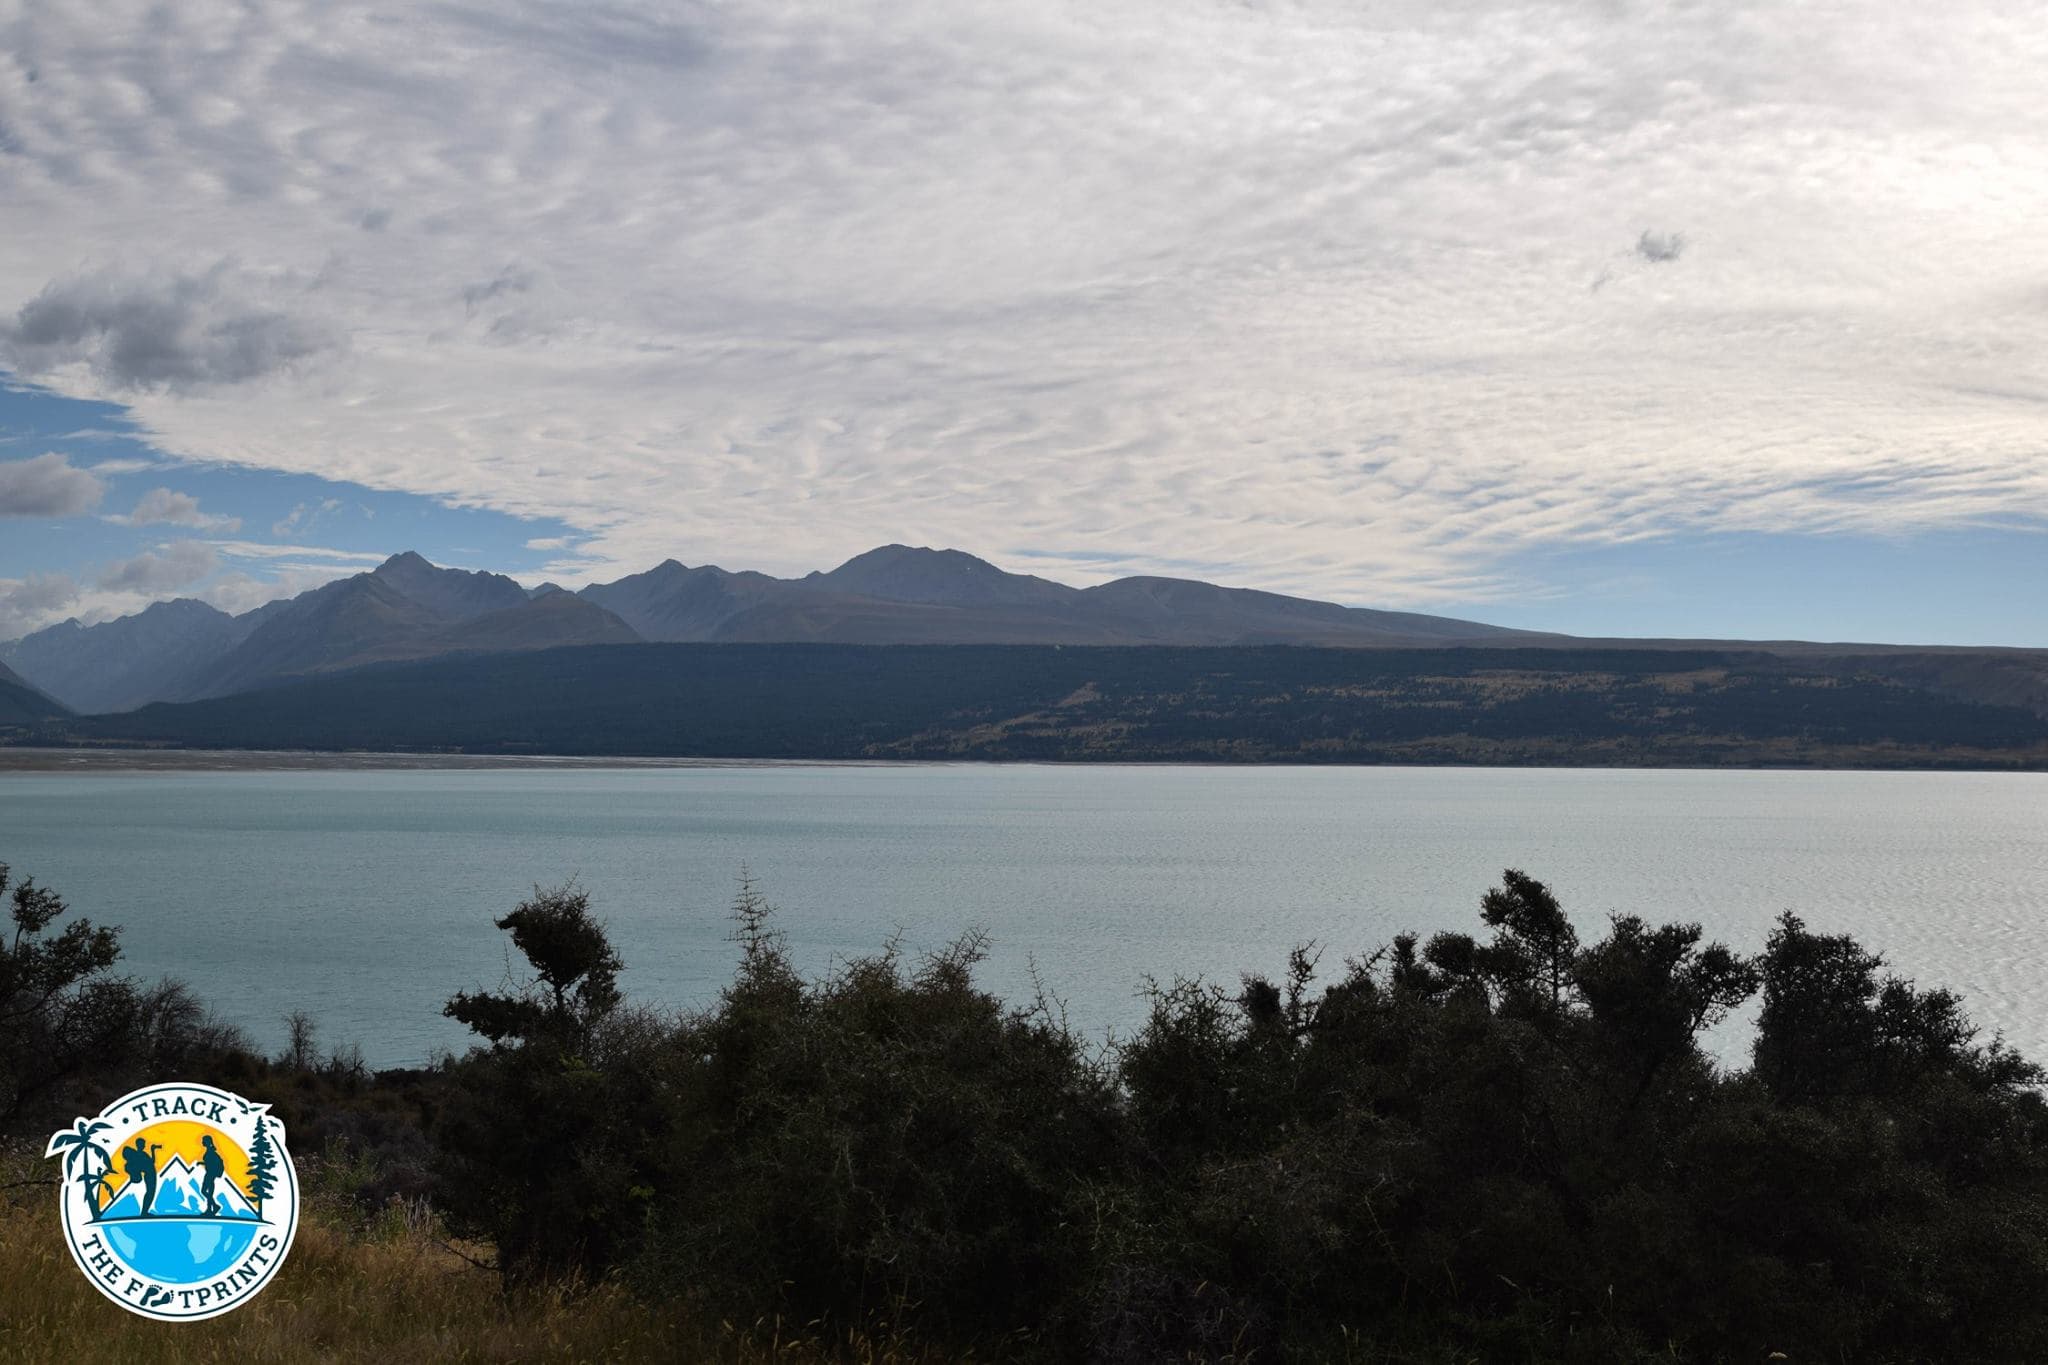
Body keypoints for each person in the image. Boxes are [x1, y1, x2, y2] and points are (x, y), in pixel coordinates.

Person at [120, 1137, 160, 1217]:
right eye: (142, 1144)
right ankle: (144, 1212)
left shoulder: (142, 1154)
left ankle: (144, 1212)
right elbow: (148, 1164)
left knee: (150, 1193)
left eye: (144, 1144)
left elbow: (151, 1162)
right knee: (150, 1193)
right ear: (138, 1145)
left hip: (151, 1174)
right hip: (150, 1175)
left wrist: (152, 1150)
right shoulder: (139, 1155)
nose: (144, 1146)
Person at [198, 1135, 226, 1217]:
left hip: (210, 1174)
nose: (202, 1142)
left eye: (203, 1140)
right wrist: (201, 1163)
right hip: (210, 1174)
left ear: (207, 1142)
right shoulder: (210, 1151)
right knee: (208, 1193)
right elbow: (209, 1162)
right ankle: (211, 1208)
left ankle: (213, 1208)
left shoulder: (210, 1152)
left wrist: (204, 1164)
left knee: (204, 1191)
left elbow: (211, 1163)